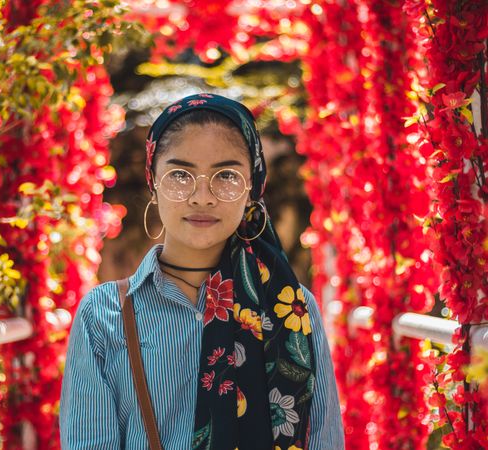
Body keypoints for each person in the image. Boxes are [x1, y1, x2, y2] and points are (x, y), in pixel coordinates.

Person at [60, 93, 345, 449]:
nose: (202, 196)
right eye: (180, 174)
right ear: (154, 181)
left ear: (252, 187)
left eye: (226, 175)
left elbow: (323, 440)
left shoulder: (293, 309)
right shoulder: (105, 315)